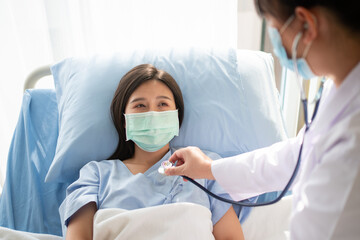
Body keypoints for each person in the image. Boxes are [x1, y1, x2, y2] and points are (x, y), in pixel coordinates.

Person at [166, 0, 360, 239]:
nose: (277, 42)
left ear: (307, 26)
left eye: (275, 27)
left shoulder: (353, 136)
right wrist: (209, 169)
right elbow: (296, 155)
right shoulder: (340, 86)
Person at [59, 64, 244, 240]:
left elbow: (231, 237)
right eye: (140, 106)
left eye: (163, 104)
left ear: (176, 116)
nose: (153, 114)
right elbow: (79, 236)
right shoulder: (96, 175)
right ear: (124, 121)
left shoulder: (204, 163)